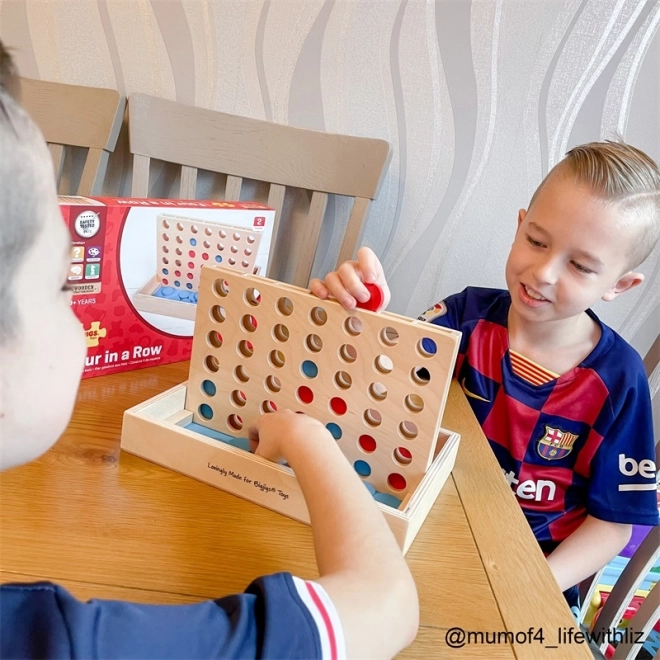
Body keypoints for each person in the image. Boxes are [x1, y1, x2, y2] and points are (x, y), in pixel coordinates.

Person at [0, 41, 418, 659]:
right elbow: (386, 605)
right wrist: (304, 436)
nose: (82, 307)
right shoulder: (58, 643)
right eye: (65, 284)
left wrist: (342, 349)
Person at [311, 140, 660, 614]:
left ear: (619, 284)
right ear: (519, 227)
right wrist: (359, 322)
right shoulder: (466, 316)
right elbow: (381, 388)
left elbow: (615, 524)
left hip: (533, 570)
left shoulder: (619, 379)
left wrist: (532, 582)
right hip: (428, 526)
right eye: (537, 241)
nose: (543, 272)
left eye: (580, 266)